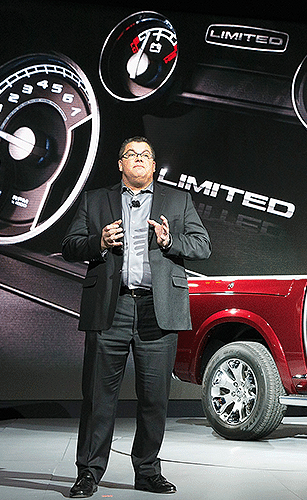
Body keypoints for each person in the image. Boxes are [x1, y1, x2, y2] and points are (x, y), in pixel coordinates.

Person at [62, 136, 211, 497]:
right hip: (110, 307)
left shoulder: (178, 200)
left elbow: (203, 246)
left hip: (156, 310)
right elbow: (69, 247)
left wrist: (169, 240)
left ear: (154, 165)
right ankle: (88, 472)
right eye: (131, 154)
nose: (139, 159)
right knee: (98, 396)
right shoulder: (96, 199)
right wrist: (97, 241)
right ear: (120, 164)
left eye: (146, 155)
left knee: (154, 397)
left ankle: (147, 471)